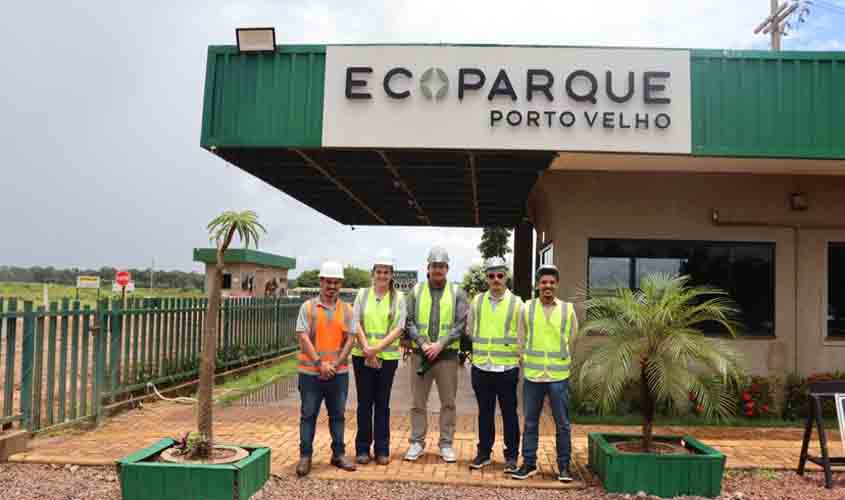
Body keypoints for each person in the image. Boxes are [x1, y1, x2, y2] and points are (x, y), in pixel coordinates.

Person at [511, 264, 576, 482]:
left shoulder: (568, 309)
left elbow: (572, 340)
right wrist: (525, 360)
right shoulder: (527, 308)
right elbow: (520, 339)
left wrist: (564, 361)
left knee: (563, 424)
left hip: (558, 377)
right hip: (534, 376)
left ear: (556, 284)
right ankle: (528, 463)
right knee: (530, 422)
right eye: (543, 282)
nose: (547, 286)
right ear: (537, 285)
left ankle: (564, 467)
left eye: (551, 282)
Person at [404, 246, 468, 463]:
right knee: (417, 402)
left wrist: (440, 345)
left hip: (447, 356)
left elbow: (460, 324)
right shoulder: (415, 291)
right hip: (420, 355)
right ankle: (416, 442)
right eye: (434, 266)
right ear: (428, 268)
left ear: (447, 268)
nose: (438, 269)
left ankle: (446, 444)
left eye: (442, 266)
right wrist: (423, 344)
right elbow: (408, 321)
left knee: (448, 402)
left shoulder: (457, 292)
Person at [295, 260, 357, 477]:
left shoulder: (347, 309)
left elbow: (351, 339)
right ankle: (305, 456)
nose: (332, 286)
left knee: (338, 415)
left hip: (338, 374)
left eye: (336, 282)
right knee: (308, 415)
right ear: (321, 282)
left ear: (340, 284)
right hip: (311, 373)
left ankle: (338, 454)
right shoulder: (308, 307)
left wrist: (336, 363)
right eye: (328, 282)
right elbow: (302, 336)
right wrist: (320, 364)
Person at [351, 250, 407, 465]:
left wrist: (375, 350)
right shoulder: (362, 294)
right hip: (362, 356)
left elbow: (398, 328)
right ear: (373, 273)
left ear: (392, 275)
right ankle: (362, 449)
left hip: (387, 358)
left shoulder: (399, 298)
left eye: (386, 272)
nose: (382, 275)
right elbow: (355, 322)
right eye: (379, 271)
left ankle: (382, 449)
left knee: (382, 404)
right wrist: (366, 348)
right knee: (364, 403)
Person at [467, 256, 522, 473]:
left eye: (500, 275)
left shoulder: (517, 303)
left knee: (509, 413)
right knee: (485, 412)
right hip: (482, 367)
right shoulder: (477, 301)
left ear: (506, 276)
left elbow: (522, 333)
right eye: (491, 276)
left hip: (507, 368)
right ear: (486, 278)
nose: (496, 279)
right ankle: (484, 453)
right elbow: (471, 330)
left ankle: (511, 456)